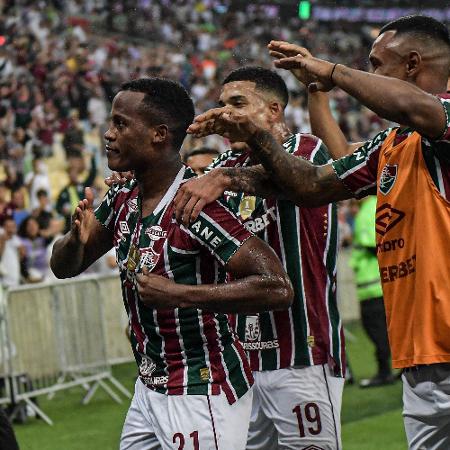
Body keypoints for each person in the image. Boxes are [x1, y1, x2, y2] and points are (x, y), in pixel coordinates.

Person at [186, 15, 450, 450]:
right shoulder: (390, 145)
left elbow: (417, 107)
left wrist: (332, 72)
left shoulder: (439, 120)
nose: (367, 76)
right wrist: (241, 157)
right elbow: (309, 185)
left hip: (320, 351)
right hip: (421, 359)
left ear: (412, 64)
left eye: (375, 65)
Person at [50, 77, 293, 450]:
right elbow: (64, 266)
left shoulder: (195, 205)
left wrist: (181, 294)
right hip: (149, 388)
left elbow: (277, 286)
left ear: (159, 134)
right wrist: (75, 238)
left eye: (120, 124)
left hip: (201, 389)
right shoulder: (121, 198)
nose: (108, 134)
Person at [175, 67, 346, 450]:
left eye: (238, 103)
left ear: (273, 111)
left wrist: (224, 179)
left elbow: (294, 183)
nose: (225, 113)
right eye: (221, 105)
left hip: (302, 350)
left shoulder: (307, 149)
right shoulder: (219, 168)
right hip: (239, 362)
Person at [350, 196, 394, 388]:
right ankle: (406, 367)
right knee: (387, 330)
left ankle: (385, 372)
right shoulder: (381, 202)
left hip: (371, 285)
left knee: (377, 331)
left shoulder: (367, 210)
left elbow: (371, 243)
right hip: (383, 283)